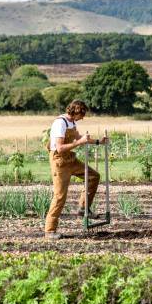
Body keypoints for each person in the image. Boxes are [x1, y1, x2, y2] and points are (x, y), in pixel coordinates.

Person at [44, 100, 107, 239]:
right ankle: (49, 230)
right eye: (82, 114)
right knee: (60, 196)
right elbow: (60, 147)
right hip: (59, 161)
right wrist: (80, 142)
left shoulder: (71, 122)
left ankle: (83, 208)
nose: (83, 117)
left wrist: (98, 142)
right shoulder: (60, 123)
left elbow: (79, 137)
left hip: (70, 159)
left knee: (93, 176)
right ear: (76, 111)